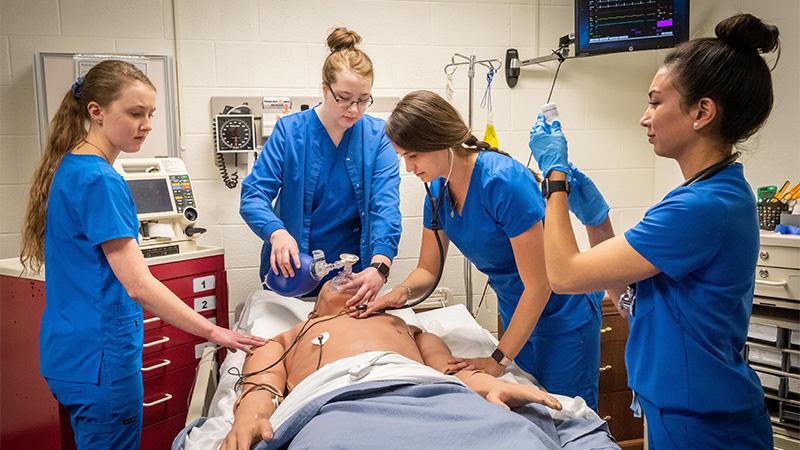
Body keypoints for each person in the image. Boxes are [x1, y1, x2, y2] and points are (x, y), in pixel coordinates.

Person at [529, 13, 779, 449]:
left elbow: (565, 276)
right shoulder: (705, 194)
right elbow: (629, 300)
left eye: (655, 102)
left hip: (706, 428)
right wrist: (595, 218)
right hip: (681, 413)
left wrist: (554, 179)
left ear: (702, 112)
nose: (644, 117)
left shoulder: (702, 207)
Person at [19, 60, 266, 450]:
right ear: (96, 112)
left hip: (69, 355)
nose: (147, 123)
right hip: (101, 361)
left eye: (150, 113)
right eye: (135, 113)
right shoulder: (101, 180)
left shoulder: (69, 167)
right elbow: (138, 285)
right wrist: (214, 332)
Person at [356, 90, 615, 412]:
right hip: (516, 312)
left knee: (567, 415)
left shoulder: (502, 182)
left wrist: (498, 360)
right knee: (531, 409)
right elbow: (426, 270)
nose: (409, 168)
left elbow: (540, 285)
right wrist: (402, 292)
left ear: (439, 141)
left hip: (562, 315)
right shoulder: (437, 192)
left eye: (413, 156)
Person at [221, 279, 569, 450]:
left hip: (428, 393)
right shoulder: (296, 332)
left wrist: (489, 384)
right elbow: (262, 380)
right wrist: (250, 413)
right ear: (314, 307)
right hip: (339, 399)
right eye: (337, 279)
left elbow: (445, 370)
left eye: (358, 274)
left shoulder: (403, 325)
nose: (350, 275)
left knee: (516, 437)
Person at [240, 27, 401, 303]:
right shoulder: (290, 132)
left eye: (363, 100)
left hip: (351, 280)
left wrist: (380, 265)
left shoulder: (378, 138)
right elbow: (253, 196)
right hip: (291, 272)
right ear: (325, 89)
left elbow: (385, 207)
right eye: (344, 98)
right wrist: (276, 232)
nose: (354, 109)